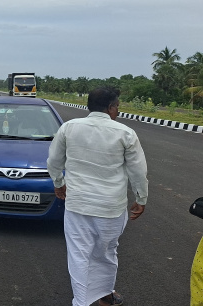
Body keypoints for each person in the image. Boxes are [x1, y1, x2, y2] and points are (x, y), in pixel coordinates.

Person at [47, 86, 148, 306]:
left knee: (79, 255)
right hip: (111, 208)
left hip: (77, 205)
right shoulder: (125, 133)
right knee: (106, 252)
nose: (118, 111)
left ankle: (81, 302)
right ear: (110, 107)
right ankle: (105, 296)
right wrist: (141, 199)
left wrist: (58, 183)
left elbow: (54, 161)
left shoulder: (69, 128)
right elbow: (138, 171)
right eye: (117, 107)